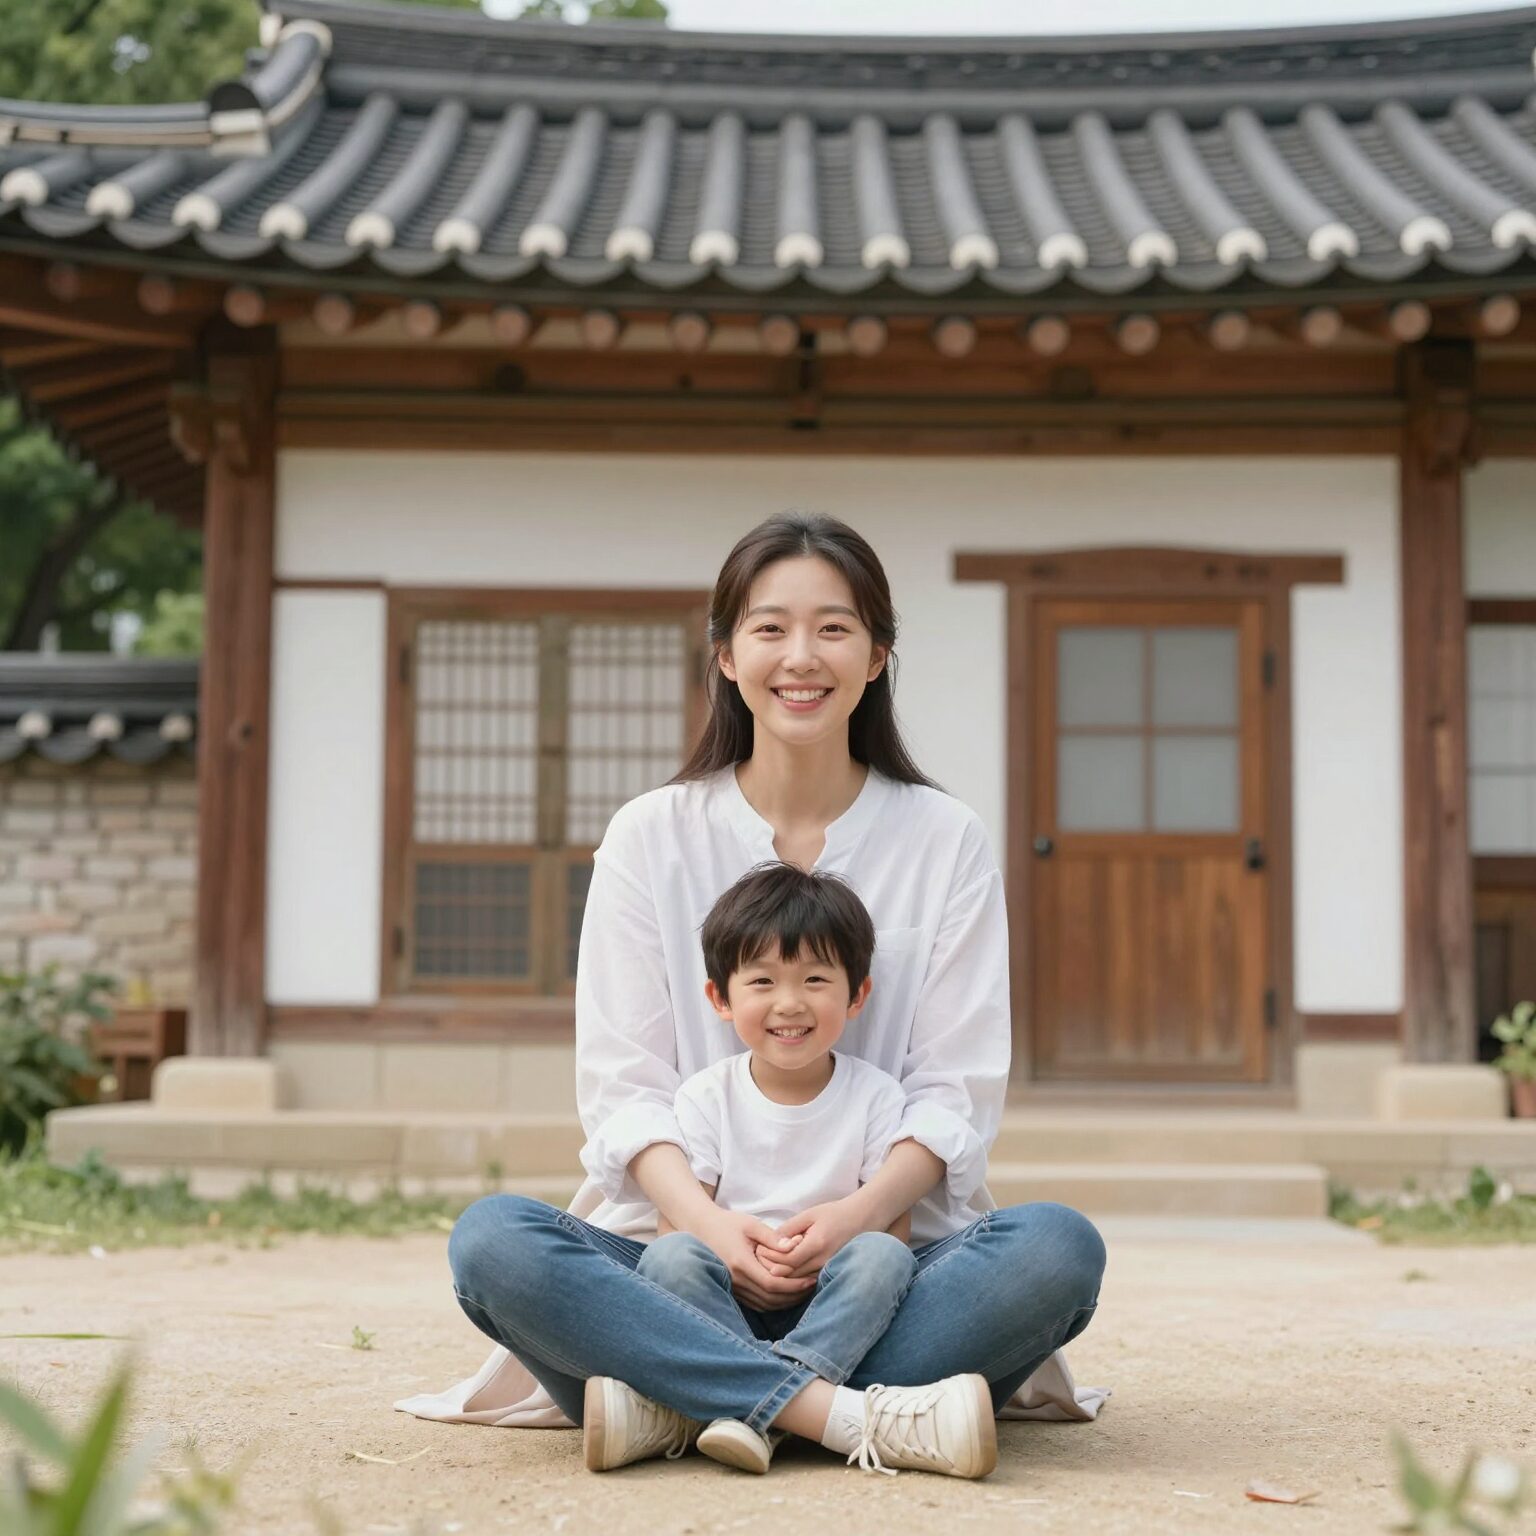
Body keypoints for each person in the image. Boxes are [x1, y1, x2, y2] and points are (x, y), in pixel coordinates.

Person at [401, 511, 1110, 1473]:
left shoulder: (946, 839)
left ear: (877, 654)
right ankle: (847, 1416)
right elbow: (625, 1094)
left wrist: (855, 1218)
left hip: (886, 1264)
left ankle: (680, 1405)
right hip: (681, 1263)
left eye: (834, 627)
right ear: (727, 655)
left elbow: (956, 1094)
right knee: (494, 1244)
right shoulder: (652, 834)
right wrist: (710, 1225)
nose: (801, 656)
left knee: (1057, 1250)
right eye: (770, 627)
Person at [618, 859, 993, 1478]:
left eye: (815, 978)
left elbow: (891, 1232)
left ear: (857, 994)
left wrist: (831, 1252)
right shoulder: (707, 1097)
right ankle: (808, 1406)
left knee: (885, 1258)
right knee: (666, 1261)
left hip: (837, 1306)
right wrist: (735, 1256)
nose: (789, 1004)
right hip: (726, 1302)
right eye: (761, 982)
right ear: (719, 997)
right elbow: (678, 1226)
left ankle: (737, 1406)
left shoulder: (877, 1096)